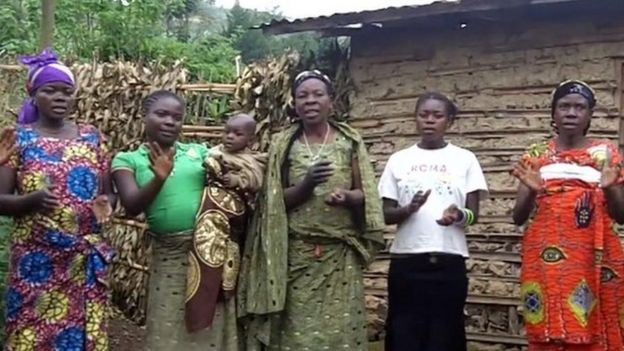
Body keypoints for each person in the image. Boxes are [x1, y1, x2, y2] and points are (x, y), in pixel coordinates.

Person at [237, 70, 385, 350]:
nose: (310, 101)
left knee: (338, 333)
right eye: (302, 96)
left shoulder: (349, 141)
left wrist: (347, 198)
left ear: (331, 101)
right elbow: (272, 201)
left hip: (339, 257)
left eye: (318, 94)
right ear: (294, 103)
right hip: (295, 254)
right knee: (295, 331)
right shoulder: (284, 144)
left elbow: (364, 193)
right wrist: (306, 185)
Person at [0, 49, 114, 351]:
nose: (60, 97)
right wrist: (32, 201)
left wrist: (106, 201)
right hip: (35, 263)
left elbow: (107, 192)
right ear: (33, 95)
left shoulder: (91, 137)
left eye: (67, 92)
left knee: (81, 340)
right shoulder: (19, 139)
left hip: (82, 261)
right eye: (50, 91)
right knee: (29, 337)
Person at [111, 90, 239, 350]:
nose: (170, 121)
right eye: (161, 114)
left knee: (210, 328)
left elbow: (230, 176)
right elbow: (132, 205)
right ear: (143, 117)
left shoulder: (199, 153)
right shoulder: (128, 160)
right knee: (167, 325)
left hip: (209, 256)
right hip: (169, 256)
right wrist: (159, 177)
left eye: (177, 117)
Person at [512, 80, 624, 351]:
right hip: (545, 257)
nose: (571, 112)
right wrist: (530, 190)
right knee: (549, 321)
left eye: (579, 107)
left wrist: (609, 188)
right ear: (553, 113)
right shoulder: (537, 155)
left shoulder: (606, 154)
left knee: (597, 320)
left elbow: (621, 216)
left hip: (594, 255)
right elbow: (517, 217)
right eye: (564, 106)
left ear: (589, 114)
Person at [379, 92, 488, 351]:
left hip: (449, 263)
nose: (429, 121)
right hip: (407, 262)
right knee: (404, 335)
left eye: (437, 116)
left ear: (448, 121)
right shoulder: (399, 160)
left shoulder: (465, 159)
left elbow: (473, 215)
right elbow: (384, 213)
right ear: (415, 119)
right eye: (423, 115)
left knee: (445, 336)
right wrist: (409, 208)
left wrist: (458, 216)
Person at [186, 113, 266, 333]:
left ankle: (222, 298)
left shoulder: (251, 160)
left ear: (249, 139)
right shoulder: (214, 153)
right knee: (205, 260)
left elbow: (256, 180)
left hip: (233, 223)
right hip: (208, 222)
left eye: (237, 134)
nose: (230, 137)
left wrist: (238, 180)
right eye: (227, 131)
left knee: (227, 265)